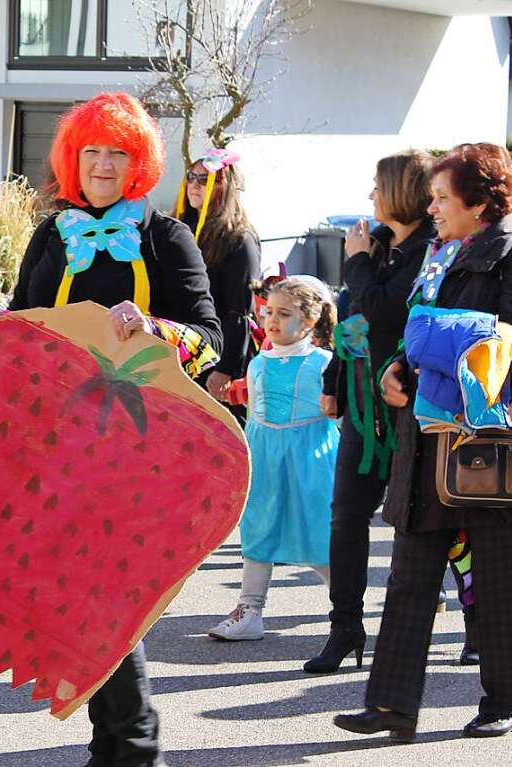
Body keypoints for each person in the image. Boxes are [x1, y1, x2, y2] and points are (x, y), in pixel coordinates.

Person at [0, 92, 221, 767]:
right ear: (74, 158)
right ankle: (116, 746)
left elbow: (211, 339)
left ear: (138, 162)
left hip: (141, 445)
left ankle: (132, 749)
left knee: (107, 594)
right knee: (76, 594)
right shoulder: (51, 233)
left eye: (116, 153)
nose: (102, 164)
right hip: (58, 444)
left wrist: (155, 327)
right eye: (91, 151)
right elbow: (22, 322)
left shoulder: (167, 237)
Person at [335, 143, 512, 741]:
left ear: (480, 202)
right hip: (424, 442)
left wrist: (428, 347)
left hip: (489, 445)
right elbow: (412, 330)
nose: (433, 207)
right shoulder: (439, 255)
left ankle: (507, 702)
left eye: (443, 198)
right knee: (409, 577)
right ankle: (390, 706)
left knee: (501, 579)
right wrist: (396, 369)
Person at [305, 151, 437, 672]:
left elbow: (386, 313)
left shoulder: (429, 250)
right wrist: (333, 382)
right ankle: (345, 628)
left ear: (403, 191)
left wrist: (357, 261)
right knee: (345, 516)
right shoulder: (378, 249)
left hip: (408, 407)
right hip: (362, 409)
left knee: (418, 523)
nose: (371, 197)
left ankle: (471, 626)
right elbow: (352, 323)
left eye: (377, 187)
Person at [207, 277, 338, 641]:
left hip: (310, 461)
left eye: (285, 313)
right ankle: (250, 611)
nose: (273, 320)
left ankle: (345, 604)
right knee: (258, 531)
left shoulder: (324, 363)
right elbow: (254, 409)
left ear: (310, 321)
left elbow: (339, 413)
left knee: (318, 534)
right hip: (264, 460)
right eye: (268, 312)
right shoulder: (258, 363)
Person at [176, 148, 261, 419]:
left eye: (205, 179)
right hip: (180, 349)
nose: (195, 185)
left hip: (216, 358)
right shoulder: (178, 228)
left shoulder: (239, 238)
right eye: (191, 177)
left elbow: (240, 311)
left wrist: (226, 367)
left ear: (225, 187)